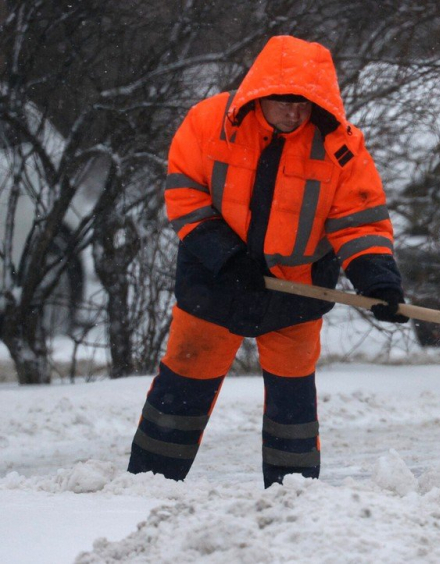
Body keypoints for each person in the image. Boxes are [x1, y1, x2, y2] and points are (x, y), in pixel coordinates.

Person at [127, 35, 408, 488]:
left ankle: (292, 496)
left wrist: (378, 283)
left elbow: (359, 223)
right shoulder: (209, 122)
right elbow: (184, 194)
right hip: (214, 282)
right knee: (183, 386)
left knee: (292, 406)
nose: (294, 111)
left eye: (305, 102)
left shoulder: (341, 149)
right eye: (284, 99)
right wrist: (227, 256)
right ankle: (146, 485)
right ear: (259, 92)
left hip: (296, 290)